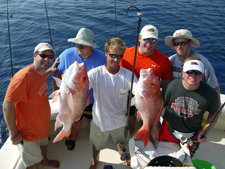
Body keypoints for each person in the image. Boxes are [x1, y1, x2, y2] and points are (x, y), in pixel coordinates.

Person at [3, 42, 60, 169]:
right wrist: (13, 134)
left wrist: (51, 70)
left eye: (50, 57)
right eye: (43, 55)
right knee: (33, 163)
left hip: (42, 126)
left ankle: (45, 161)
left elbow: (39, 79)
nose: (47, 59)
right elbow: (7, 105)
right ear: (34, 55)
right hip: (28, 134)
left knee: (44, 145)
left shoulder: (40, 72)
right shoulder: (22, 78)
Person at [53, 28, 106, 150]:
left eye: (81, 46)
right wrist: (56, 93)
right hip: (70, 99)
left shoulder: (102, 58)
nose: (78, 48)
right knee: (76, 120)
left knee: (92, 120)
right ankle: (72, 134)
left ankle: (95, 138)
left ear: (90, 46)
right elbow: (56, 74)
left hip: (93, 99)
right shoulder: (67, 54)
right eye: (76, 45)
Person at [88, 38, 138, 169]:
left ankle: (124, 155)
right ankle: (94, 161)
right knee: (96, 145)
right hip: (100, 121)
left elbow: (138, 91)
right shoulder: (94, 74)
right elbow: (80, 87)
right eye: (113, 55)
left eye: (119, 56)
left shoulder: (128, 76)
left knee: (122, 143)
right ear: (106, 52)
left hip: (120, 121)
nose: (116, 60)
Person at [154, 57, 220, 153]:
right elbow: (159, 108)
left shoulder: (211, 94)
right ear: (183, 72)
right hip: (168, 130)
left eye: (197, 72)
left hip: (193, 134)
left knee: (186, 159)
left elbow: (214, 113)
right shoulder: (171, 87)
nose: (192, 75)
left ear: (202, 74)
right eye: (189, 71)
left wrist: (206, 131)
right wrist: (154, 127)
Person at [120, 24, 172, 135]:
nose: (149, 44)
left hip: (150, 96)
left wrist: (154, 85)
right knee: (130, 114)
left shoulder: (163, 60)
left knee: (152, 116)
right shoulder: (125, 54)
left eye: (153, 40)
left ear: (157, 41)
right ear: (139, 38)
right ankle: (132, 132)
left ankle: (150, 132)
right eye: (146, 39)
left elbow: (167, 80)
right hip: (128, 92)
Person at [165, 29, 220, 101]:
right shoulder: (170, 60)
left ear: (190, 43)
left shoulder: (203, 62)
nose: (179, 46)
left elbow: (214, 87)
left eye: (183, 43)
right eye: (176, 43)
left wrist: (217, 108)